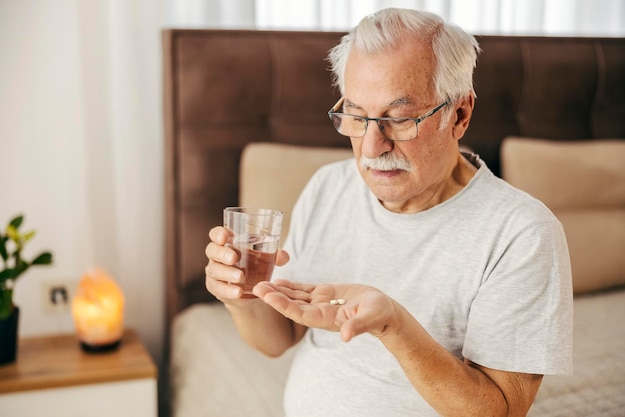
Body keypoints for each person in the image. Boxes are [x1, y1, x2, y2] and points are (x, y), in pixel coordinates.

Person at [205, 8, 573, 417]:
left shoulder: (521, 233)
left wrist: (394, 327)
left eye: (399, 120)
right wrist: (241, 296)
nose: (370, 147)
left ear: (460, 115)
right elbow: (279, 337)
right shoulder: (329, 186)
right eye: (357, 117)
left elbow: (500, 411)